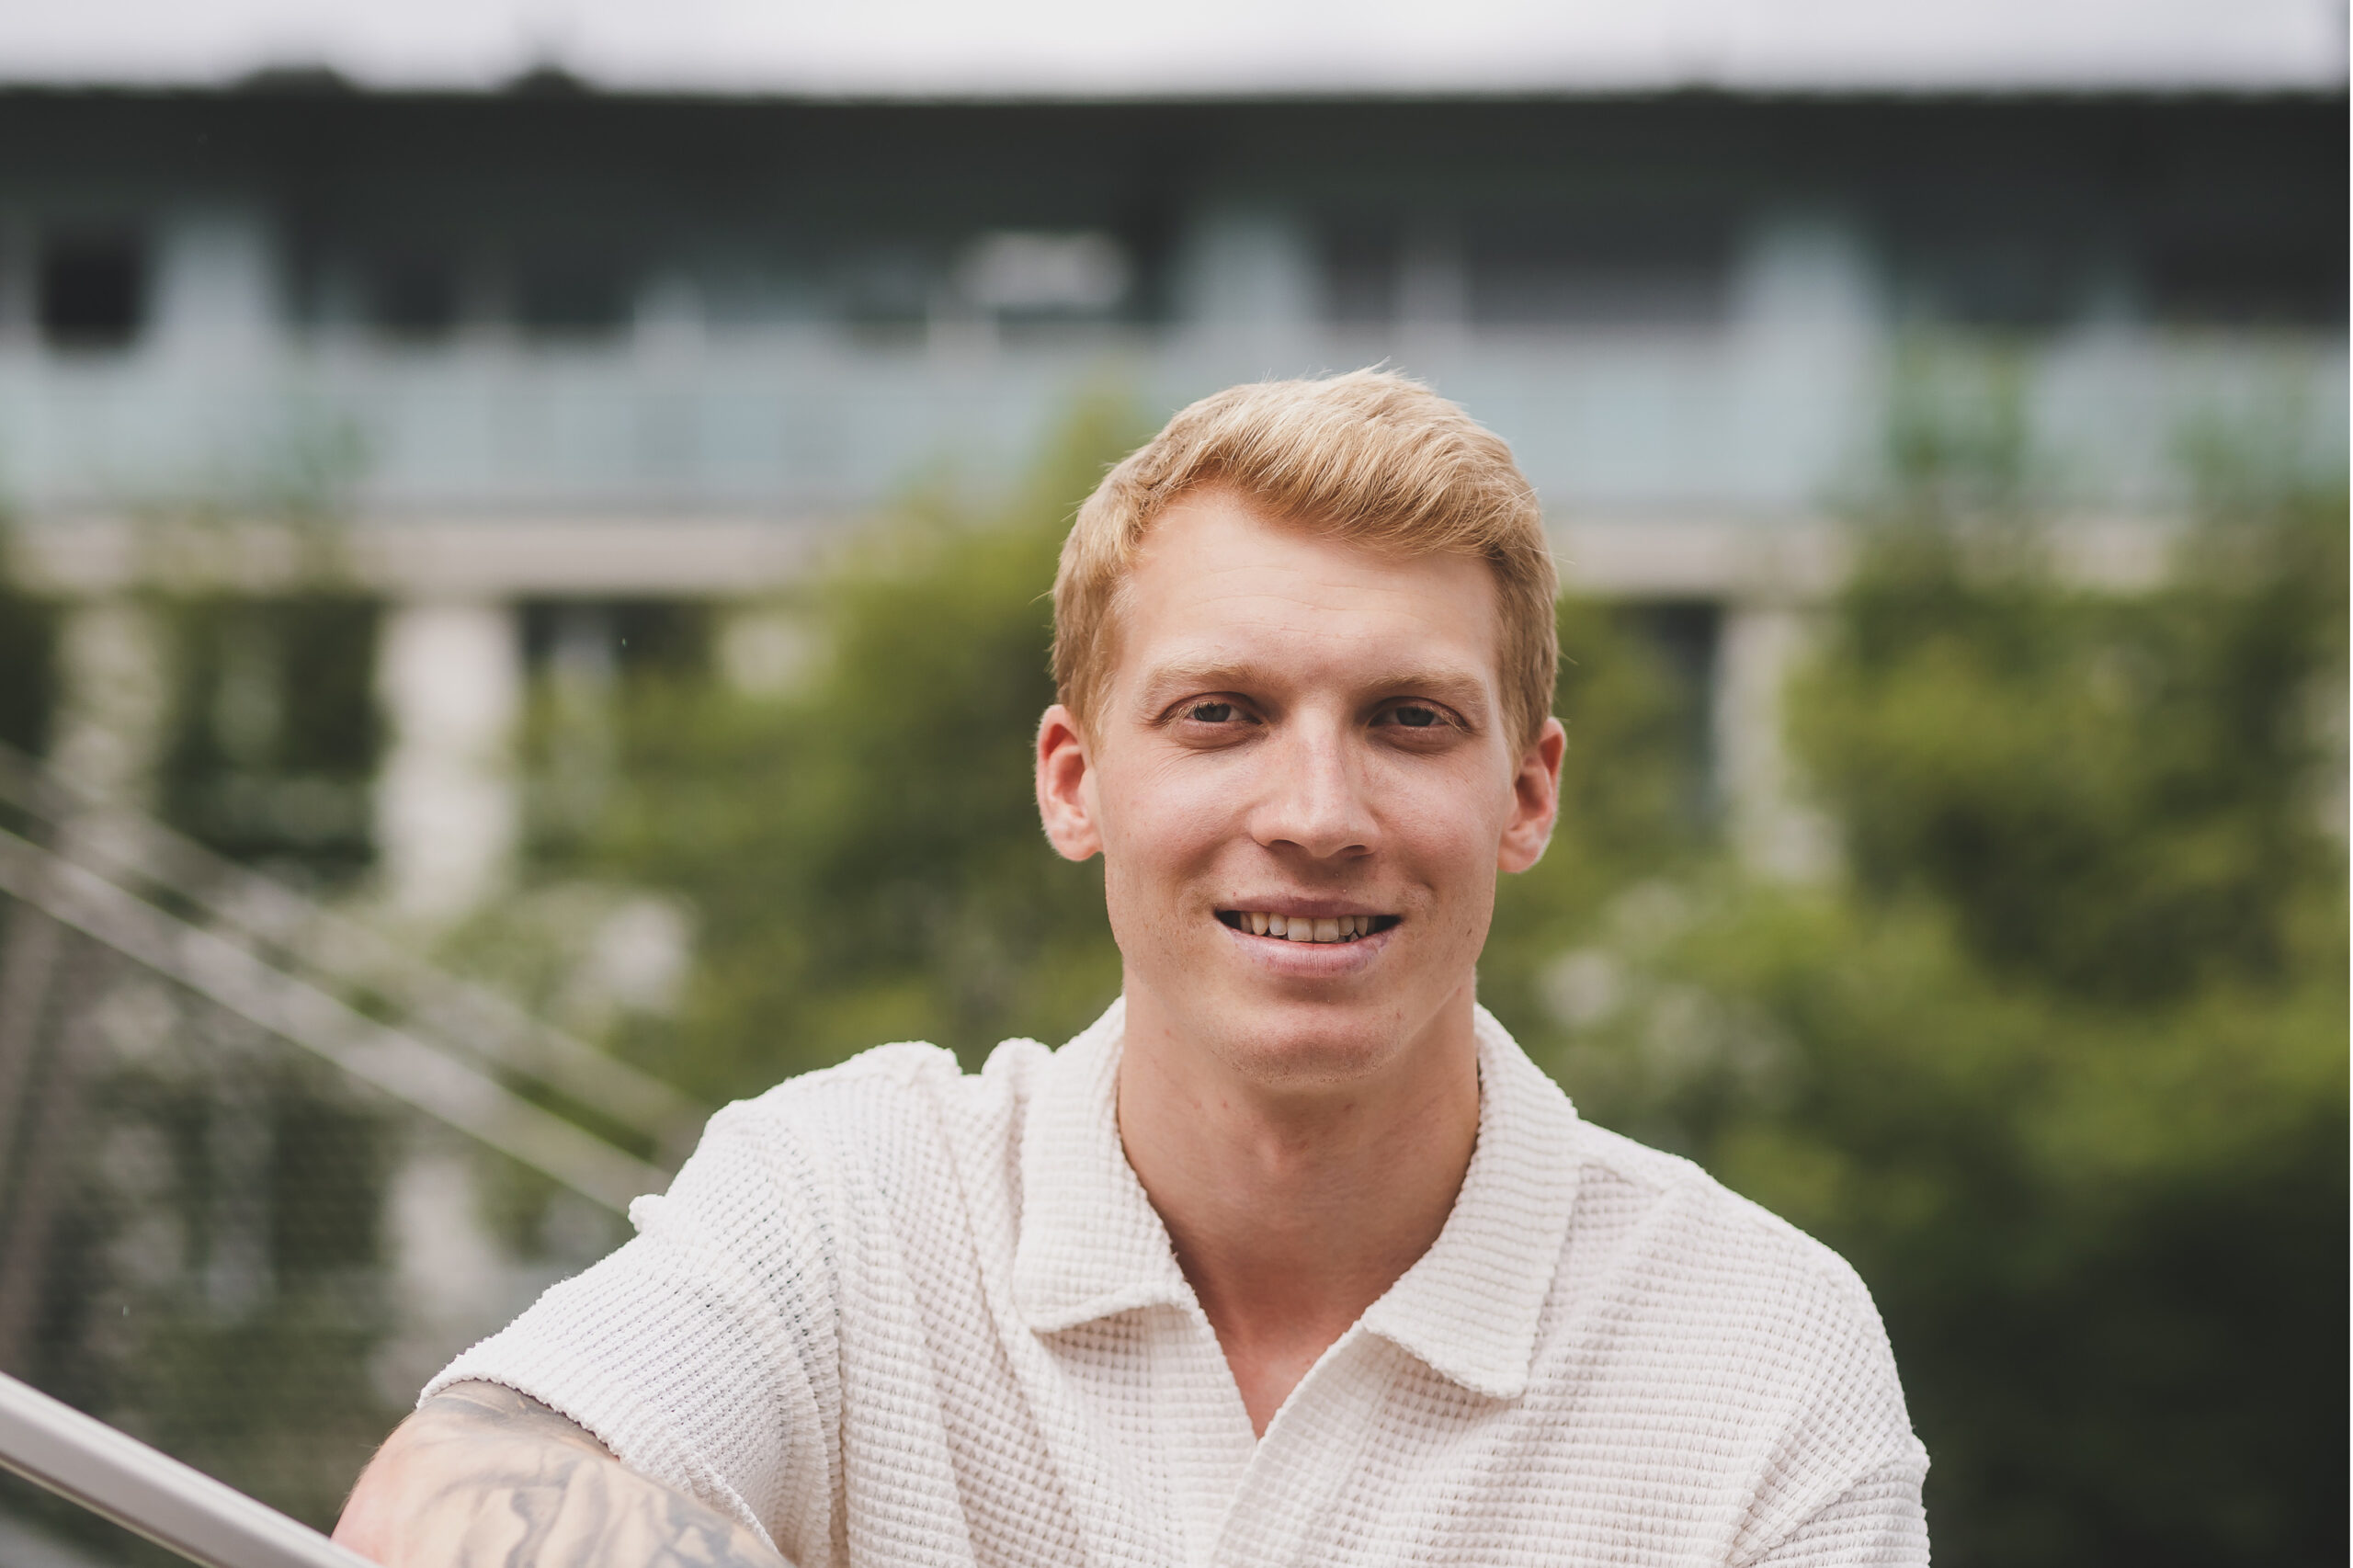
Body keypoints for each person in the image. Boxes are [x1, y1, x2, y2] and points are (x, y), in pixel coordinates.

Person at [335, 370, 1929, 1567]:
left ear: (1528, 792)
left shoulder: (1762, 1347)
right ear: (1075, 780)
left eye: (1409, 719)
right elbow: (434, 1495)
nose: (1316, 815)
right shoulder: (851, 1200)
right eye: (1221, 714)